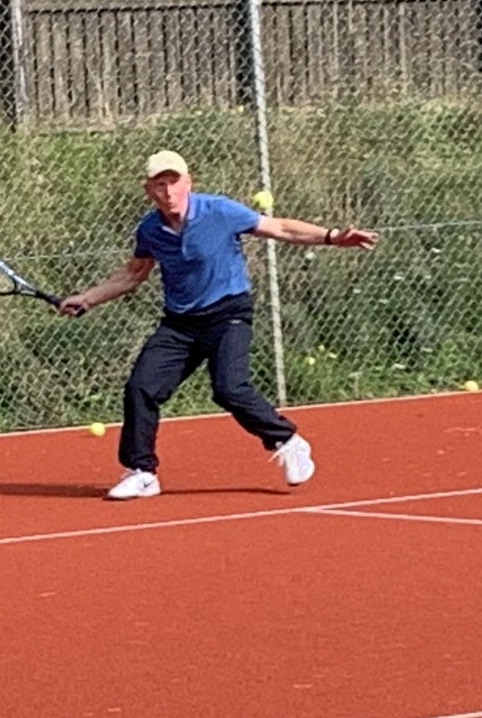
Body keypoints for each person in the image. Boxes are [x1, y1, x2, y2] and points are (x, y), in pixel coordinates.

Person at [59, 150, 379, 500]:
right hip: (180, 323)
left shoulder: (219, 211)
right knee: (142, 387)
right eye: (160, 185)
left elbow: (279, 227)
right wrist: (87, 298)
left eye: (174, 182)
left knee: (229, 388)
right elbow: (134, 274)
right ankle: (142, 472)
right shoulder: (150, 229)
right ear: (148, 189)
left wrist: (332, 236)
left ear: (188, 182)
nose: (168, 192)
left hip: (228, 313)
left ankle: (286, 440)